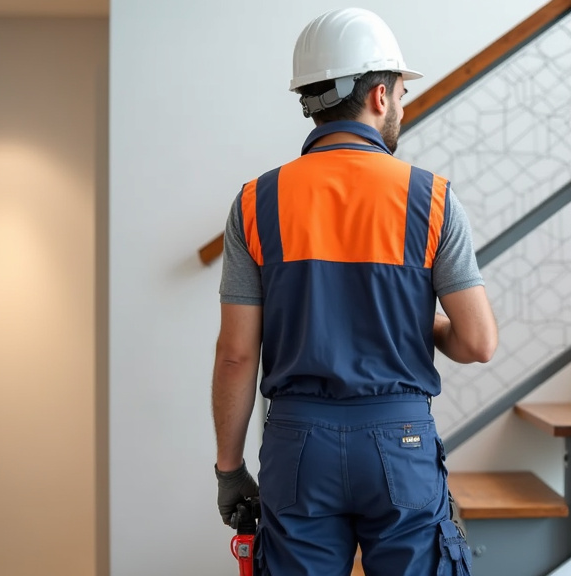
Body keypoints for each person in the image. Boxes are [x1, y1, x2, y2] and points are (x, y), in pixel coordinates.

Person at [210, 7, 498, 576]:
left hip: (297, 447)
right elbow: (478, 342)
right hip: (401, 443)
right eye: (400, 92)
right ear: (380, 96)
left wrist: (228, 470)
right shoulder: (432, 198)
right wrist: (426, 323)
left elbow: (237, 354)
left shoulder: (255, 203)